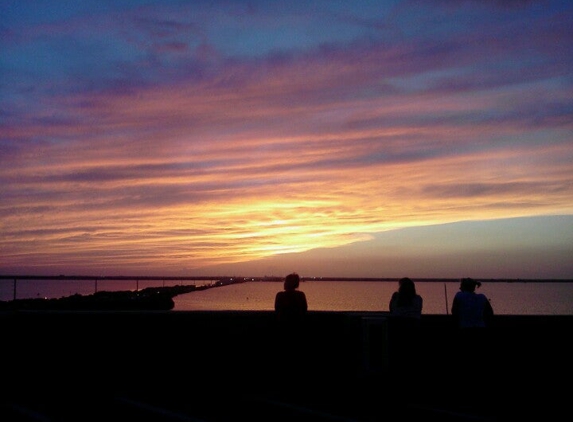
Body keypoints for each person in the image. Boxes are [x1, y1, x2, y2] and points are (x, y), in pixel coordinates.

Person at [388, 277, 423, 375]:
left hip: (399, 327)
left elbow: (391, 309)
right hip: (414, 328)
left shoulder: (396, 297)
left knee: (398, 352)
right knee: (411, 353)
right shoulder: (418, 299)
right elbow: (419, 311)